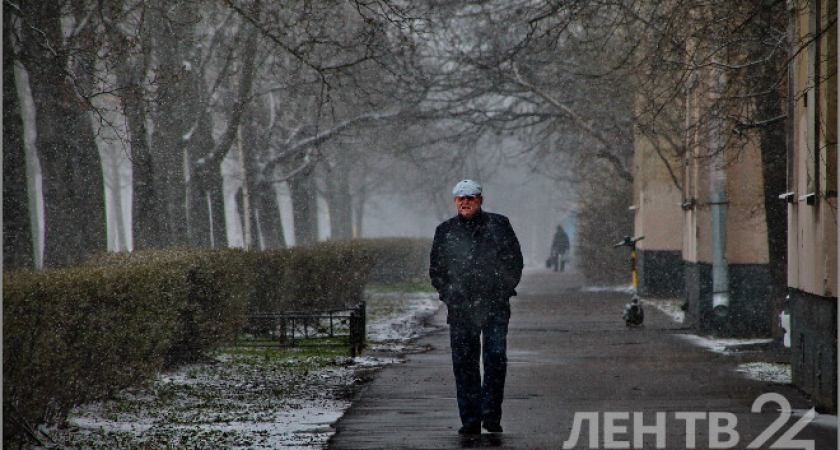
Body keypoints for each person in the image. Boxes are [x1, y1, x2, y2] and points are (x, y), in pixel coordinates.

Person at [429, 179, 524, 435]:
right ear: (455, 201)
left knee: (495, 359)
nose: (466, 202)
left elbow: (514, 261)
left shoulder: (499, 225)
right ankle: (470, 420)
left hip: (494, 307)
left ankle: (491, 416)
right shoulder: (445, 231)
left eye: (471, 197)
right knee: (464, 364)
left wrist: (502, 289)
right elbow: (437, 271)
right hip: (461, 310)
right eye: (461, 198)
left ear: (480, 199)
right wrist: (450, 294)